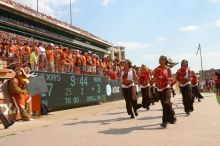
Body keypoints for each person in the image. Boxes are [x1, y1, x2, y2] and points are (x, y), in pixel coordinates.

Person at [153, 55, 176, 128]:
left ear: (165, 61)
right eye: (159, 59)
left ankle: (164, 121)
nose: (160, 60)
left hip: (166, 88)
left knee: (166, 102)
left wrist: (165, 79)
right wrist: (157, 85)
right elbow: (154, 79)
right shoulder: (156, 69)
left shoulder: (168, 69)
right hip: (159, 89)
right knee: (164, 105)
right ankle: (171, 116)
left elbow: (170, 79)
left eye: (162, 59)